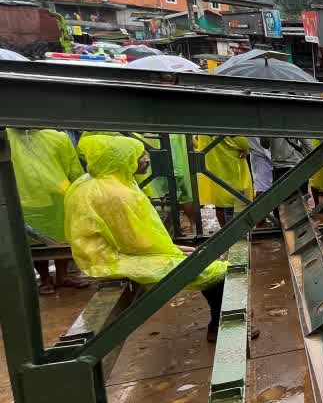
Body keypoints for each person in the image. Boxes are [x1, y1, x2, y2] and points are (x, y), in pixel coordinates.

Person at [65, 135, 228, 340]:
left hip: (103, 252)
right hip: (111, 259)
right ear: (120, 158)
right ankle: (219, 326)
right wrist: (174, 250)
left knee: (199, 260)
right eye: (139, 155)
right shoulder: (114, 193)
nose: (147, 159)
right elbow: (135, 243)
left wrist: (173, 247)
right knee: (214, 272)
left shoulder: (96, 181)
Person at [6, 128, 86, 294]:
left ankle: (62, 276)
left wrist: (79, 191)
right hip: (25, 197)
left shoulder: (58, 138)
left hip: (53, 198)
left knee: (63, 237)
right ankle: (45, 279)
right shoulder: (5, 137)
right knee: (34, 242)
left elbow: (73, 168)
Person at [194, 135, 253, 228]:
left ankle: (224, 232)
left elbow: (195, 141)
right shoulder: (225, 121)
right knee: (235, 201)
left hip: (212, 166)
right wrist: (245, 148)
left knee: (220, 203)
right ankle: (234, 234)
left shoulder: (202, 123)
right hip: (230, 165)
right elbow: (242, 141)